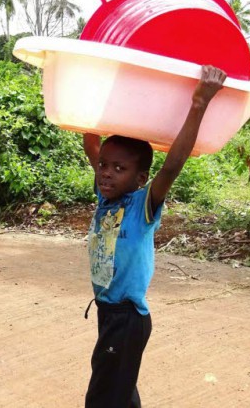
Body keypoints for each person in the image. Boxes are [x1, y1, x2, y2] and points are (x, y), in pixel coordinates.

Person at [82, 65, 227, 407]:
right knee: (120, 391)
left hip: (127, 318)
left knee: (103, 398)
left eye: (120, 169)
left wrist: (199, 103)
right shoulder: (107, 197)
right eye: (104, 165)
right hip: (108, 312)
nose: (106, 173)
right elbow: (91, 141)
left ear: (140, 178)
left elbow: (172, 166)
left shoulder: (141, 206)